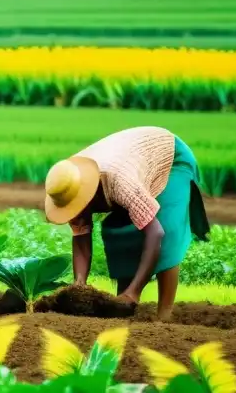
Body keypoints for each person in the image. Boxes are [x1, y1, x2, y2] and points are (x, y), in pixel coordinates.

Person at [43, 126, 211, 321]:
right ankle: (123, 305)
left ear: (89, 193)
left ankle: (164, 315)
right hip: (130, 161)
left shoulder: (119, 183)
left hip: (169, 157)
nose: (76, 212)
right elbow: (81, 239)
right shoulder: (67, 184)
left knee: (167, 230)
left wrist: (135, 291)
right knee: (119, 234)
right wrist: (79, 285)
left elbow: (156, 233)